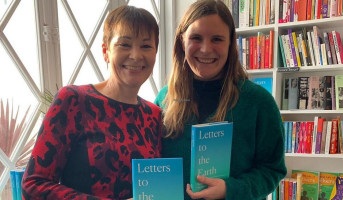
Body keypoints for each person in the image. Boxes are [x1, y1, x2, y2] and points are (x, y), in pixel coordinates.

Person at [22, 5, 161, 200]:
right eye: (125, 44)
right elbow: (33, 185)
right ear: (106, 51)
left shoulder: (153, 115)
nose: (136, 55)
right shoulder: (73, 100)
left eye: (146, 46)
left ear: (155, 53)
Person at [154, 0, 287, 199]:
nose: (206, 49)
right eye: (196, 38)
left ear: (231, 43)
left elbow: (272, 169)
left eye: (217, 39)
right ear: (182, 41)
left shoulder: (259, 103)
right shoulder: (164, 99)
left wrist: (230, 189)